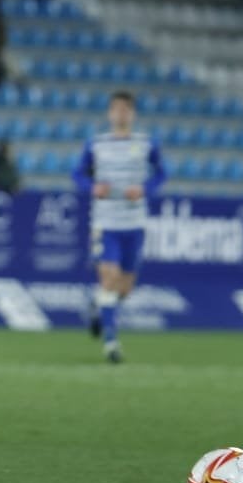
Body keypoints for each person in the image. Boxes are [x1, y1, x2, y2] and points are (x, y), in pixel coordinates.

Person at [72, 91, 166, 364]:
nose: (121, 114)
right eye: (116, 109)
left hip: (134, 223)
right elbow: (77, 173)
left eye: (126, 110)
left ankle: (97, 306)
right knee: (110, 278)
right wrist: (92, 187)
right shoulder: (97, 144)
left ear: (133, 114)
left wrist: (145, 189)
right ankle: (111, 342)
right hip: (106, 221)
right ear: (110, 114)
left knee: (124, 289)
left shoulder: (146, 143)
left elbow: (162, 173)